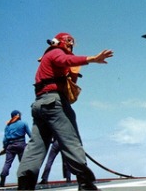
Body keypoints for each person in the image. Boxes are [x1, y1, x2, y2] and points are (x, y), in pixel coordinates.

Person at [16, 32, 113, 190]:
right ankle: (86, 185)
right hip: (54, 103)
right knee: (71, 140)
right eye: (68, 41)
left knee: (36, 147)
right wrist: (92, 59)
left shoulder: (47, 58)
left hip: (39, 105)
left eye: (72, 42)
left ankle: (25, 186)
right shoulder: (56, 53)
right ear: (58, 42)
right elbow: (65, 60)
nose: (71, 44)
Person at [0, 110, 31, 187]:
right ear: (19, 115)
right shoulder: (23, 123)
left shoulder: (8, 126)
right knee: (23, 164)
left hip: (10, 146)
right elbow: (30, 135)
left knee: (7, 163)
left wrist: (5, 148)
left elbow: (5, 139)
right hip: (21, 145)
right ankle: (22, 181)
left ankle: (3, 177)